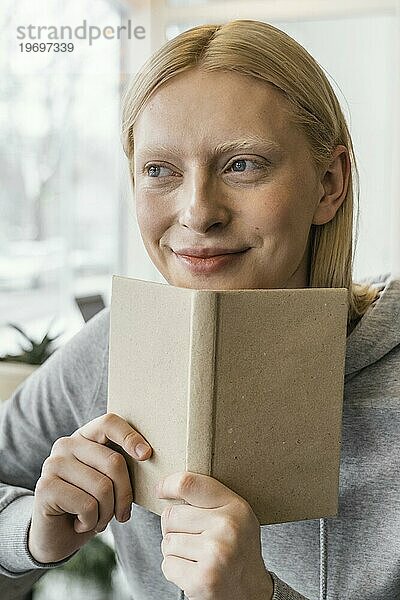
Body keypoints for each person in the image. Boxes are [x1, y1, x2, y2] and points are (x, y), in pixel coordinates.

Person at [1, 18, 399, 600]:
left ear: (329, 183)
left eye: (242, 165)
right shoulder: (112, 349)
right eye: (160, 171)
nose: (197, 213)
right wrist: (30, 531)